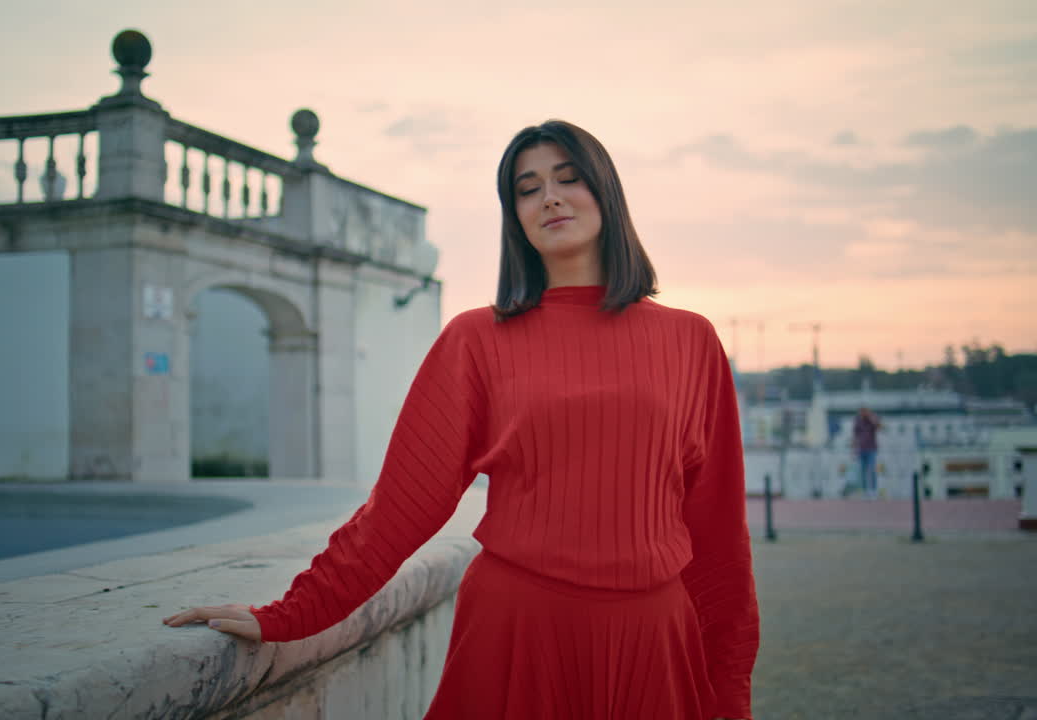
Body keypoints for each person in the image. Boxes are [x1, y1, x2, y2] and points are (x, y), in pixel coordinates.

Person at [164, 120, 760, 720]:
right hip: (516, 629)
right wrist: (291, 614)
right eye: (527, 189)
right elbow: (400, 508)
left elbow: (719, 541)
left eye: (568, 178)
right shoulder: (476, 340)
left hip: (652, 640)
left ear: (606, 191)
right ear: (515, 217)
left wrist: (730, 697)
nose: (549, 196)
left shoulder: (690, 341)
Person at [853, 406, 881, 498]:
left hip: (871, 449)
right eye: (862, 412)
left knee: (872, 470)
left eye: (865, 411)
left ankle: (873, 490)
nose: (863, 414)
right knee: (862, 471)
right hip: (861, 449)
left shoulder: (872, 420)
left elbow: (878, 426)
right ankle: (865, 491)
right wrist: (854, 449)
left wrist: (871, 418)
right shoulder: (858, 421)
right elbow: (855, 436)